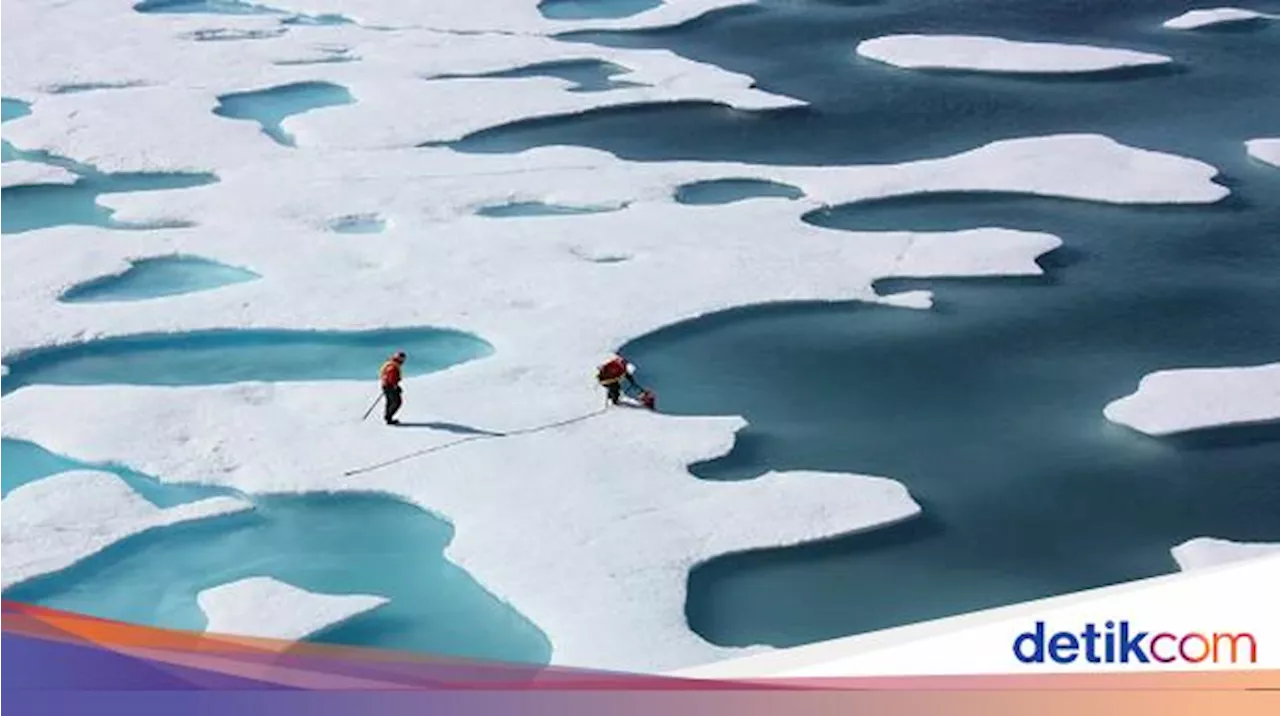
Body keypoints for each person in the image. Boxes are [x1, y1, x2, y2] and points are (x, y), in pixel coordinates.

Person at [380, 351, 406, 425]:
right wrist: (395, 386)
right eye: (402, 359)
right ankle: (388, 417)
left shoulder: (391, 363)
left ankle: (388, 417)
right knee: (396, 402)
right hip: (390, 386)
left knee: (390, 402)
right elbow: (391, 378)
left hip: (386, 385)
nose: (403, 362)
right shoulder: (393, 366)